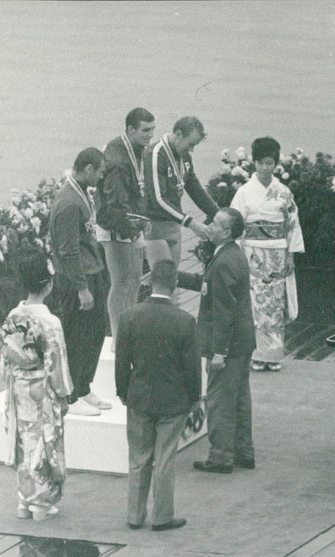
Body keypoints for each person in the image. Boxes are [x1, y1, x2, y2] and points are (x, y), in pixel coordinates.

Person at [116, 259, 201, 532]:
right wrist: (194, 397)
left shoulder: (129, 316)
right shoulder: (185, 321)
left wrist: (123, 391)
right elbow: (192, 367)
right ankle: (162, 516)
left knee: (138, 458)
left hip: (139, 397)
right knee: (165, 457)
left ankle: (134, 515)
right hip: (173, 400)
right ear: (175, 284)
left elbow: (121, 361)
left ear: (150, 281)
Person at [177, 208, 256, 474]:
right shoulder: (232, 255)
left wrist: (219, 352)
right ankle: (243, 451)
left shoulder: (222, 262)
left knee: (220, 399)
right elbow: (207, 285)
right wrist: (177, 277)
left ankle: (221, 456)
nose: (209, 226)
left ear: (228, 232)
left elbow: (223, 312)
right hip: (242, 342)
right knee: (240, 398)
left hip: (227, 346)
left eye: (216, 224)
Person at [0, 254, 73, 521]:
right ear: (48, 284)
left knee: (22, 440)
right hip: (42, 387)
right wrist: (63, 395)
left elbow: (6, 353)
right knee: (44, 440)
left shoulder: (13, 316)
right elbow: (56, 362)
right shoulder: (50, 323)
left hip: (18, 385)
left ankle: (24, 500)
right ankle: (41, 502)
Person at [230, 136, 304, 372]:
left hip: (276, 254)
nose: (264, 167)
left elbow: (292, 223)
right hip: (252, 253)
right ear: (254, 163)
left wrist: (291, 255)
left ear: (276, 164)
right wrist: (237, 252)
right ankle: (256, 354)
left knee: (274, 303)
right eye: (260, 163)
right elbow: (235, 222)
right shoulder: (244, 192)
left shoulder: (283, 192)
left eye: (269, 163)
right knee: (254, 304)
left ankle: (273, 355)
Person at [49, 147, 111, 416]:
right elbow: (67, 250)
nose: (102, 176)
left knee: (95, 332)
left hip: (93, 273)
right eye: (100, 171)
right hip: (77, 281)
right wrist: (82, 288)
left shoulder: (81, 193)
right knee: (76, 336)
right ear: (88, 169)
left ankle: (83, 387)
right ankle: (70, 397)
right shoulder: (68, 202)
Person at [97, 108, 156, 344]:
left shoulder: (134, 148)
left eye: (152, 129)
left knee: (133, 279)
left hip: (129, 225)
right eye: (145, 130)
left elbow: (135, 193)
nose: (150, 135)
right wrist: (135, 235)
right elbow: (115, 207)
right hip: (115, 227)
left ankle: (127, 330)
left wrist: (142, 222)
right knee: (121, 281)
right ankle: (117, 335)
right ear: (131, 129)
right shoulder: (118, 161)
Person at [143, 116, 219, 268]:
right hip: (154, 226)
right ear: (178, 134)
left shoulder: (184, 156)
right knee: (161, 281)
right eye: (190, 144)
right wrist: (191, 223)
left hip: (173, 224)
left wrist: (218, 214)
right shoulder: (155, 154)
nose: (191, 150)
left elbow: (194, 188)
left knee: (172, 281)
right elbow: (158, 200)